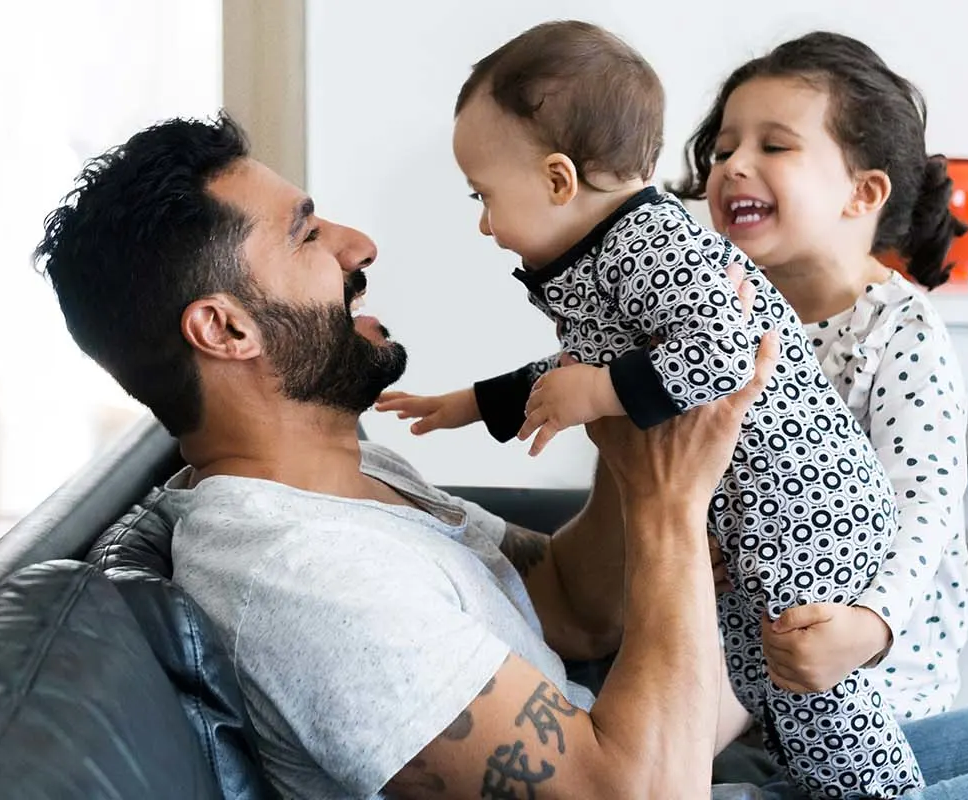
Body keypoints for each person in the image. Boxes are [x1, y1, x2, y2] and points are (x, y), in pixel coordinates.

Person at [33, 113, 968, 799]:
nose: (359, 240)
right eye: (308, 233)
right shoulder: (295, 569)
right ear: (225, 327)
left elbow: (567, 602)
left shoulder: (357, 480)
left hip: (714, 755)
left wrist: (641, 428)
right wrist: (673, 508)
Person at [370, 21, 911, 798]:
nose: (484, 223)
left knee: (814, 689)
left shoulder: (650, 242)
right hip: (751, 514)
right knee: (762, 676)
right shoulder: (599, 253)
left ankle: (881, 791)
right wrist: (468, 404)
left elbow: (722, 348)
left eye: (484, 197)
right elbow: (579, 364)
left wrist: (595, 392)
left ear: (559, 180)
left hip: (805, 502)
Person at [671, 30, 968, 723]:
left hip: (874, 694)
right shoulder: (715, 316)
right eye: (723, 150)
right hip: (732, 661)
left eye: (773, 146)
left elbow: (924, 507)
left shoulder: (897, 332)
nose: (733, 165)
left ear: (862, 193)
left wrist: (869, 625)